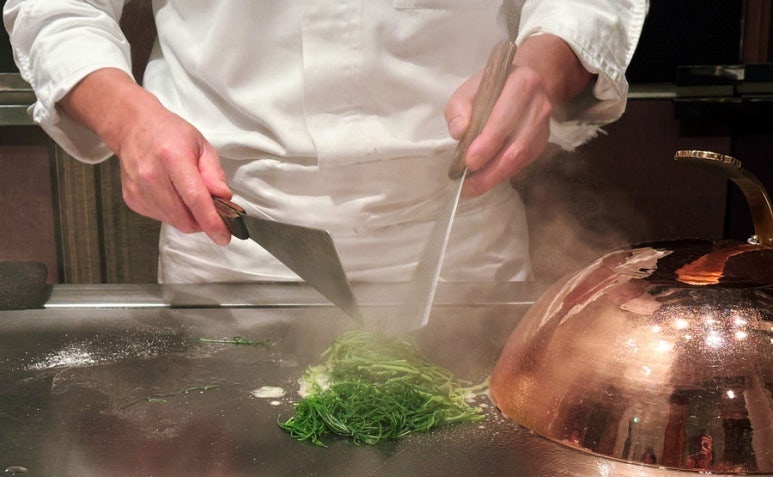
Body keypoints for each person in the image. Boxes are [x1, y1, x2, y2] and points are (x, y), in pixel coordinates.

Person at [4, 1, 648, 284]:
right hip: (232, 236)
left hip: (458, 242)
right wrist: (128, 120)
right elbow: (58, 6)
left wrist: (545, 63)